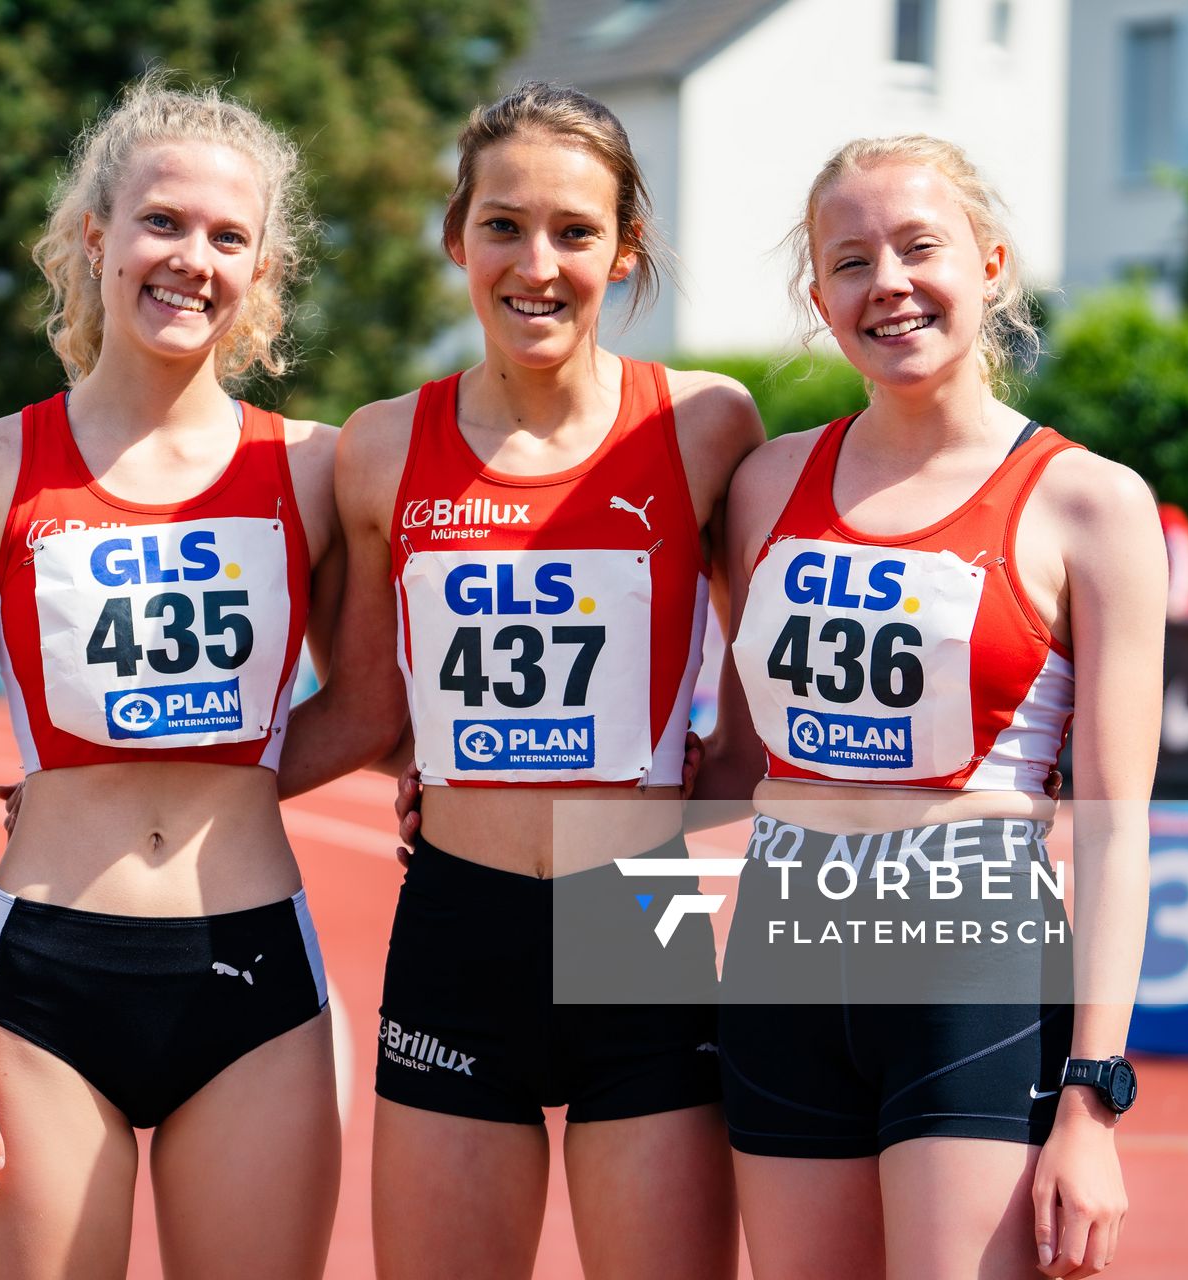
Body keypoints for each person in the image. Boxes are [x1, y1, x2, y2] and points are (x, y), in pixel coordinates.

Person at [289, 82, 762, 1279]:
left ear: (625, 248)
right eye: (502, 224)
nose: (535, 262)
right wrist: (145, 779)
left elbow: (775, 690)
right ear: (457, 237)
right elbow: (363, 707)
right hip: (460, 921)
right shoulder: (383, 445)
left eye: (574, 230)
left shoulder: (706, 424)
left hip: (635, 920)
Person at [0, 79, 349, 1278]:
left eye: (227, 236)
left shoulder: (316, 470)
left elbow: (380, 702)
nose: (189, 258)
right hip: (41, 981)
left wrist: (224, 768)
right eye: (161, 221)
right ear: (94, 236)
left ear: (263, 268)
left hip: (252, 976)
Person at [712, 136, 1160, 1278]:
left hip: (975, 969)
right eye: (851, 261)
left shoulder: (1091, 504)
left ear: (993, 262)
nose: (889, 284)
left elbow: (1116, 825)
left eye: (921, 246)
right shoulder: (766, 485)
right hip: (785, 959)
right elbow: (723, 742)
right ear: (822, 298)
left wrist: (1092, 1100)